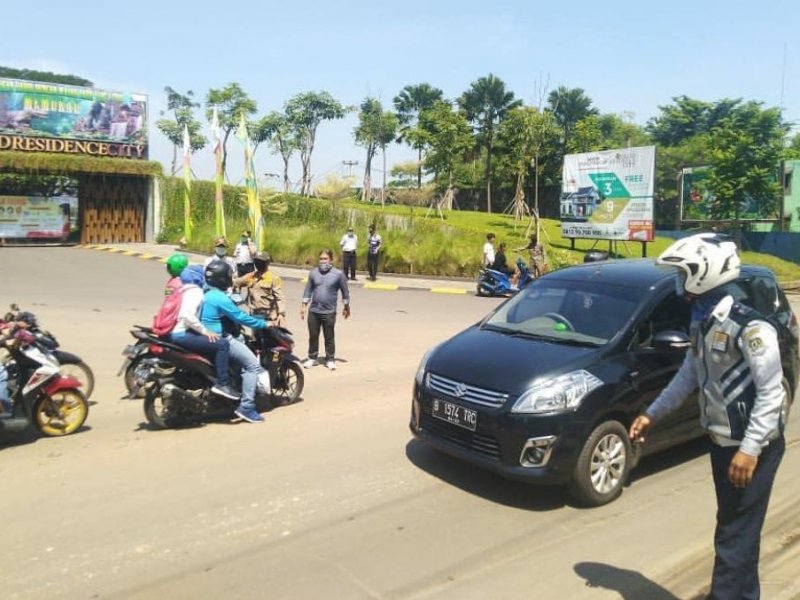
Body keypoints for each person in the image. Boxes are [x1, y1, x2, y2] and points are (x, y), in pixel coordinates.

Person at [629, 232, 786, 600]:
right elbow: (688, 378)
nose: (679, 284)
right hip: (722, 443)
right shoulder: (704, 322)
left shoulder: (751, 327)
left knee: (734, 536)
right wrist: (651, 415)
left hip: (751, 449)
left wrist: (749, 450)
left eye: (684, 275)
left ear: (706, 274)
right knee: (734, 530)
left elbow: (771, 391)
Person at [201, 261, 269, 424]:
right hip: (222, 338)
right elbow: (241, 318)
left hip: (204, 337)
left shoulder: (205, 292)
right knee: (252, 365)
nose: (231, 278)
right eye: (228, 276)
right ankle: (247, 407)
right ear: (222, 279)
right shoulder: (220, 298)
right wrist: (265, 324)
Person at [167, 265, 238, 400]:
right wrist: (205, 331)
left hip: (175, 332)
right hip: (182, 334)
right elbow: (188, 315)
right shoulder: (196, 292)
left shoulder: (182, 289)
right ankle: (222, 384)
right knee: (222, 344)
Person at [300, 249, 350, 371]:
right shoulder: (313, 273)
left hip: (329, 312)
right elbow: (308, 290)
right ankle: (312, 357)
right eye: (321, 259)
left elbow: (345, 292)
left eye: (325, 259)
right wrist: (303, 306)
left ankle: (330, 359)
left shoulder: (338, 274)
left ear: (331, 260)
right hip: (314, 311)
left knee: (329, 337)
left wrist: (346, 306)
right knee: (313, 335)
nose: (323, 261)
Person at [233, 252, 286, 326]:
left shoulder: (274, 278)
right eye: (256, 262)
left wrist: (281, 313)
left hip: (269, 317)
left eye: (261, 262)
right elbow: (236, 282)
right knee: (255, 337)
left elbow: (279, 297)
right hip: (255, 316)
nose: (258, 264)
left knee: (270, 337)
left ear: (267, 263)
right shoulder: (251, 276)